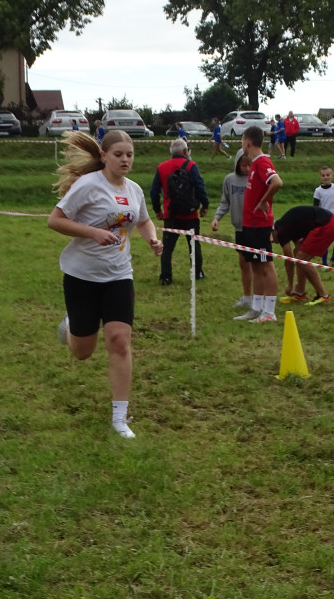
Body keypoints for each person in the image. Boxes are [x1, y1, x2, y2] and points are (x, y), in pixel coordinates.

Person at [47, 130, 163, 439]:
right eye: (119, 154)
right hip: (81, 276)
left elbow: (142, 220)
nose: (125, 159)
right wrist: (92, 232)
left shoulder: (135, 190)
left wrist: (152, 238)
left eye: (130, 154)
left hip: (119, 275)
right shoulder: (88, 186)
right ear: (104, 156)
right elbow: (55, 220)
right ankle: (73, 325)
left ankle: (119, 418)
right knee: (83, 352)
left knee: (119, 341)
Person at [234, 125, 283, 322]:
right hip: (249, 224)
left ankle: (269, 311)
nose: (242, 144)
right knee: (254, 264)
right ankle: (256, 307)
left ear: (248, 141)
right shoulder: (253, 163)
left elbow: (277, 182)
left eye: (242, 141)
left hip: (260, 224)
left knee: (266, 266)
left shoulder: (263, 162)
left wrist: (263, 201)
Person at [150, 138, 209, 285]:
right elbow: (200, 186)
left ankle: (166, 276)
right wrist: (205, 205)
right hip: (190, 214)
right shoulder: (191, 166)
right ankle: (197, 273)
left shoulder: (162, 167)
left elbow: (154, 191)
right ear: (185, 151)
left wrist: (157, 209)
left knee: (167, 247)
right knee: (194, 245)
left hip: (171, 214)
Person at [274, 205, 334, 305]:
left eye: (272, 240)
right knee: (298, 254)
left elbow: (288, 260)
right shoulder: (288, 226)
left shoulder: (281, 231)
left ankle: (323, 295)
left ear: (273, 231)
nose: (275, 243)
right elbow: (298, 247)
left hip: (329, 224)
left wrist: (290, 285)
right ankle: (300, 293)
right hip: (332, 222)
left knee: (302, 259)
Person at [211, 149, 253, 310]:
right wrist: (216, 218)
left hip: (255, 227)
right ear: (237, 164)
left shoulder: (254, 179)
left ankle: (259, 298)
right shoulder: (230, 180)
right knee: (243, 262)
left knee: (257, 264)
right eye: (244, 165)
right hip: (240, 228)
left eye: (250, 165)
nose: (247, 168)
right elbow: (225, 202)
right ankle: (247, 296)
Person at [313, 165, 334, 267]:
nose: (325, 177)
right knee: (325, 241)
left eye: (328, 175)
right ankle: (324, 263)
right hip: (324, 219)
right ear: (320, 177)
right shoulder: (318, 191)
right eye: (323, 175)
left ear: (332, 176)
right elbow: (315, 207)